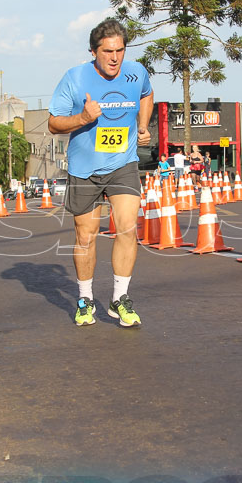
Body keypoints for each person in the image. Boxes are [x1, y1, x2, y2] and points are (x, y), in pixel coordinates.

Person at [48, 18, 153, 328]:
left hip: (123, 164)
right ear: (93, 51)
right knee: (85, 236)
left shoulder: (136, 74)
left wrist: (144, 125)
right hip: (84, 170)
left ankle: (119, 298)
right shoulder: (75, 78)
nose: (114, 58)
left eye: (120, 50)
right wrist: (82, 117)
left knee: (127, 228)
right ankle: (85, 299)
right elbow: (54, 123)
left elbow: (146, 94)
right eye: (107, 51)